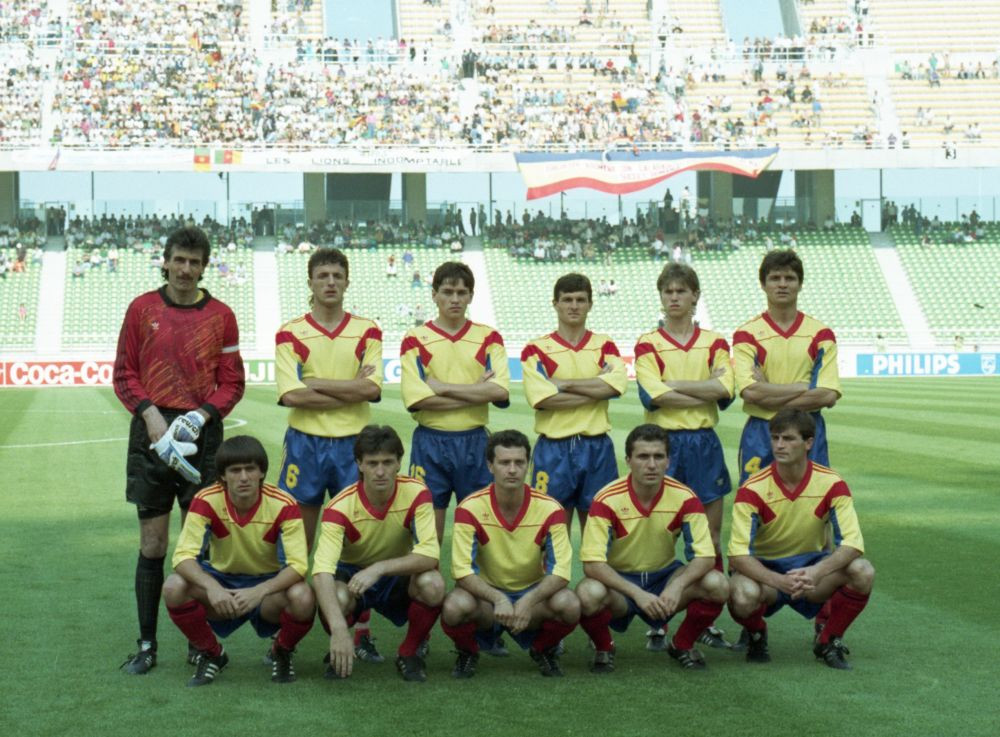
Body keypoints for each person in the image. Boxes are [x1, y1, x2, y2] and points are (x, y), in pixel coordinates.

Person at [114, 226, 245, 675]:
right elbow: (124, 373)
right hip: (150, 436)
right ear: (165, 261)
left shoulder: (221, 315)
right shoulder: (142, 309)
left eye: (194, 262)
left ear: (204, 267)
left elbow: (233, 383)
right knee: (153, 543)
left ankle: (199, 643)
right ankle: (147, 644)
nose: (186, 269)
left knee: (196, 546)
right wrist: (151, 415)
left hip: (201, 438)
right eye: (179, 260)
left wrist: (200, 416)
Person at [274, 247, 384, 661]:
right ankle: (288, 634)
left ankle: (361, 632)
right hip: (306, 444)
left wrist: (315, 382)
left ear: (347, 281)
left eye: (337, 275)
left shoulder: (367, 330)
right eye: (323, 275)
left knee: (357, 542)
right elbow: (291, 395)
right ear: (311, 282)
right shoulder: (290, 332)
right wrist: (348, 388)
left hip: (354, 446)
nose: (331, 282)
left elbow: (371, 389)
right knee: (298, 541)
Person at [633, 263, 735, 650]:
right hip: (664, 446)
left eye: (681, 291)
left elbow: (725, 389)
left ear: (695, 295)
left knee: (709, 536)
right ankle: (657, 619)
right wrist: (704, 387)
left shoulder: (714, 342)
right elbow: (654, 395)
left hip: (704, 444)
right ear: (661, 296)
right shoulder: (648, 343)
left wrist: (675, 384)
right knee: (658, 538)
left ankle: (704, 619)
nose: (674, 297)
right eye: (668, 291)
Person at [575, 424, 729, 674]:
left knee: (717, 583)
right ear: (628, 460)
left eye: (658, 456)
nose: (651, 465)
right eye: (643, 457)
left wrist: (677, 586)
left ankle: (682, 644)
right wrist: (637, 594)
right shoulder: (606, 499)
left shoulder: (686, 497)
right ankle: (604, 647)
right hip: (622, 584)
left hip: (665, 577)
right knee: (587, 593)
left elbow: (705, 556)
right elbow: (592, 564)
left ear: (668, 461)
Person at [161, 436, 315, 686]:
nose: (243, 477)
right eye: (235, 470)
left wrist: (260, 591)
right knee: (173, 587)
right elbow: (182, 557)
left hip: (267, 590)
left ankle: (281, 650)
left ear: (262, 472)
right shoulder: (205, 500)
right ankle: (212, 653)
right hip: (222, 584)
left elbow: (298, 566)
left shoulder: (283, 503)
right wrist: (212, 587)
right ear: (223, 475)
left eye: (250, 469)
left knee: (303, 596)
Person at [727, 410, 874, 670]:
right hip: (767, 571)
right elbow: (738, 555)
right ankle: (757, 634)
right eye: (775, 438)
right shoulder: (752, 488)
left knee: (863, 571)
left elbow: (852, 544)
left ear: (808, 442)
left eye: (788, 438)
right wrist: (779, 581)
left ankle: (829, 640)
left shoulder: (832, 483)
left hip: (811, 570)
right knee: (741, 594)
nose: (779, 445)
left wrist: (817, 572)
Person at [440, 430, 579, 678]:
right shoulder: (469, 508)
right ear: (490, 466)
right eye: (504, 462)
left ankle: (542, 649)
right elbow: (462, 571)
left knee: (569, 604)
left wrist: (528, 600)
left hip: (532, 597)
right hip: (487, 599)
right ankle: (468, 652)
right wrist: (498, 598)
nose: (512, 470)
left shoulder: (551, 509)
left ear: (528, 465)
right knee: (454, 606)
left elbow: (560, 572)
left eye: (519, 462)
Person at [312, 425, 444, 682]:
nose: (380, 471)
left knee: (433, 584)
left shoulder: (417, 492)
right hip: (352, 574)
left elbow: (430, 555)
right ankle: (342, 646)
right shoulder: (339, 507)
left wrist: (379, 568)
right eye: (372, 463)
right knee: (336, 597)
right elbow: (321, 572)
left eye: (387, 462)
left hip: (395, 572)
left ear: (399, 462)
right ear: (359, 464)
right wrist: (338, 629)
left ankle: (409, 652)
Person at [400, 261, 510, 541]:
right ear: (434, 295)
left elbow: (499, 392)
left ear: (471, 296)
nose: (455, 299)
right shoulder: (415, 339)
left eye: (462, 293)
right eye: (448, 292)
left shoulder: (488, 337)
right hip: (430, 443)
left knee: (481, 533)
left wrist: (441, 388)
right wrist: (477, 391)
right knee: (428, 537)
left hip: (475, 443)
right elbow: (417, 400)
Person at [520, 273, 626, 535]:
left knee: (599, 533)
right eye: (567, 299)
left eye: (580, 300)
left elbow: (615, 386)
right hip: (554, 449)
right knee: (551, 533)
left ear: (590, 304)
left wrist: (563, 384)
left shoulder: (604, 345)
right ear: (555, 303)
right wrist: (596, 388)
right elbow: (543, 399)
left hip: (596, 447)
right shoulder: (536, 349)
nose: (574, 306)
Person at [733, 249, 840, 486]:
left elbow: (827, 395)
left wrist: (768, 391)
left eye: (790, 278)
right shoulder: (747, 334)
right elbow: (750, 392)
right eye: (775, 278)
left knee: (814, 499)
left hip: (807, 431)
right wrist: (804, 387)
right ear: (763, 284)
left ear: (800, 284)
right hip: (762, 432)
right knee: (755, 498)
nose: (782, 284)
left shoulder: (821, 334)